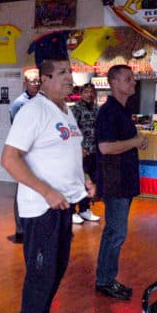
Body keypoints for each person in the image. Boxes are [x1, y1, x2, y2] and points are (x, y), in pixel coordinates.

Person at [1, 58, 95, 313]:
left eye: (71, 72)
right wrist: (46, 191)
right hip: (41, 207)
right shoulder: (33, 111)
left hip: (63, 205)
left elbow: (68, 154)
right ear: (44, 79)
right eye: (64, 73)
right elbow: (9, 159)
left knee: (57, 268)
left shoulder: (66, 112)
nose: (70, 78)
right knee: (40, 271)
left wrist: (86, 179)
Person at [94, 65, 147, 301]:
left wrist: (135, 141)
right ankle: (105, 280)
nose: (132, 83)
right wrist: (135, 142)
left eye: (133, 78)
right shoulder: (109, 112)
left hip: (123, 179)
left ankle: (105, 278)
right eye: (128, 79)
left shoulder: (122, 110)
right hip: (115, 181)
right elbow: (105, 147)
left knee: (114, 233)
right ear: (114, 82)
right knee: (116, 233)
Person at [8, 68, 42, 243]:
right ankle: (20, 228)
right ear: (25, 83)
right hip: (24, 153)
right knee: (22, 188)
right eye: (32, 81)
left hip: (41, 154)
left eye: (38, 81)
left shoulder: (45, 101)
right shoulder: (17, 104)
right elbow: (17, 131)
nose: (36, 84)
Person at [71, 83, 101, 225]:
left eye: (91, 92)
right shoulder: (76, 109)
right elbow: (71, 131)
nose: (89, 94)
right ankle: (71, 211)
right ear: (81, 93)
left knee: (90, 182)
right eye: (86, 92)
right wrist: (78, 148)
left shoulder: (97, 109)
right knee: (77, 181)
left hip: (95, 151)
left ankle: (84, 209)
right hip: (80, 152)